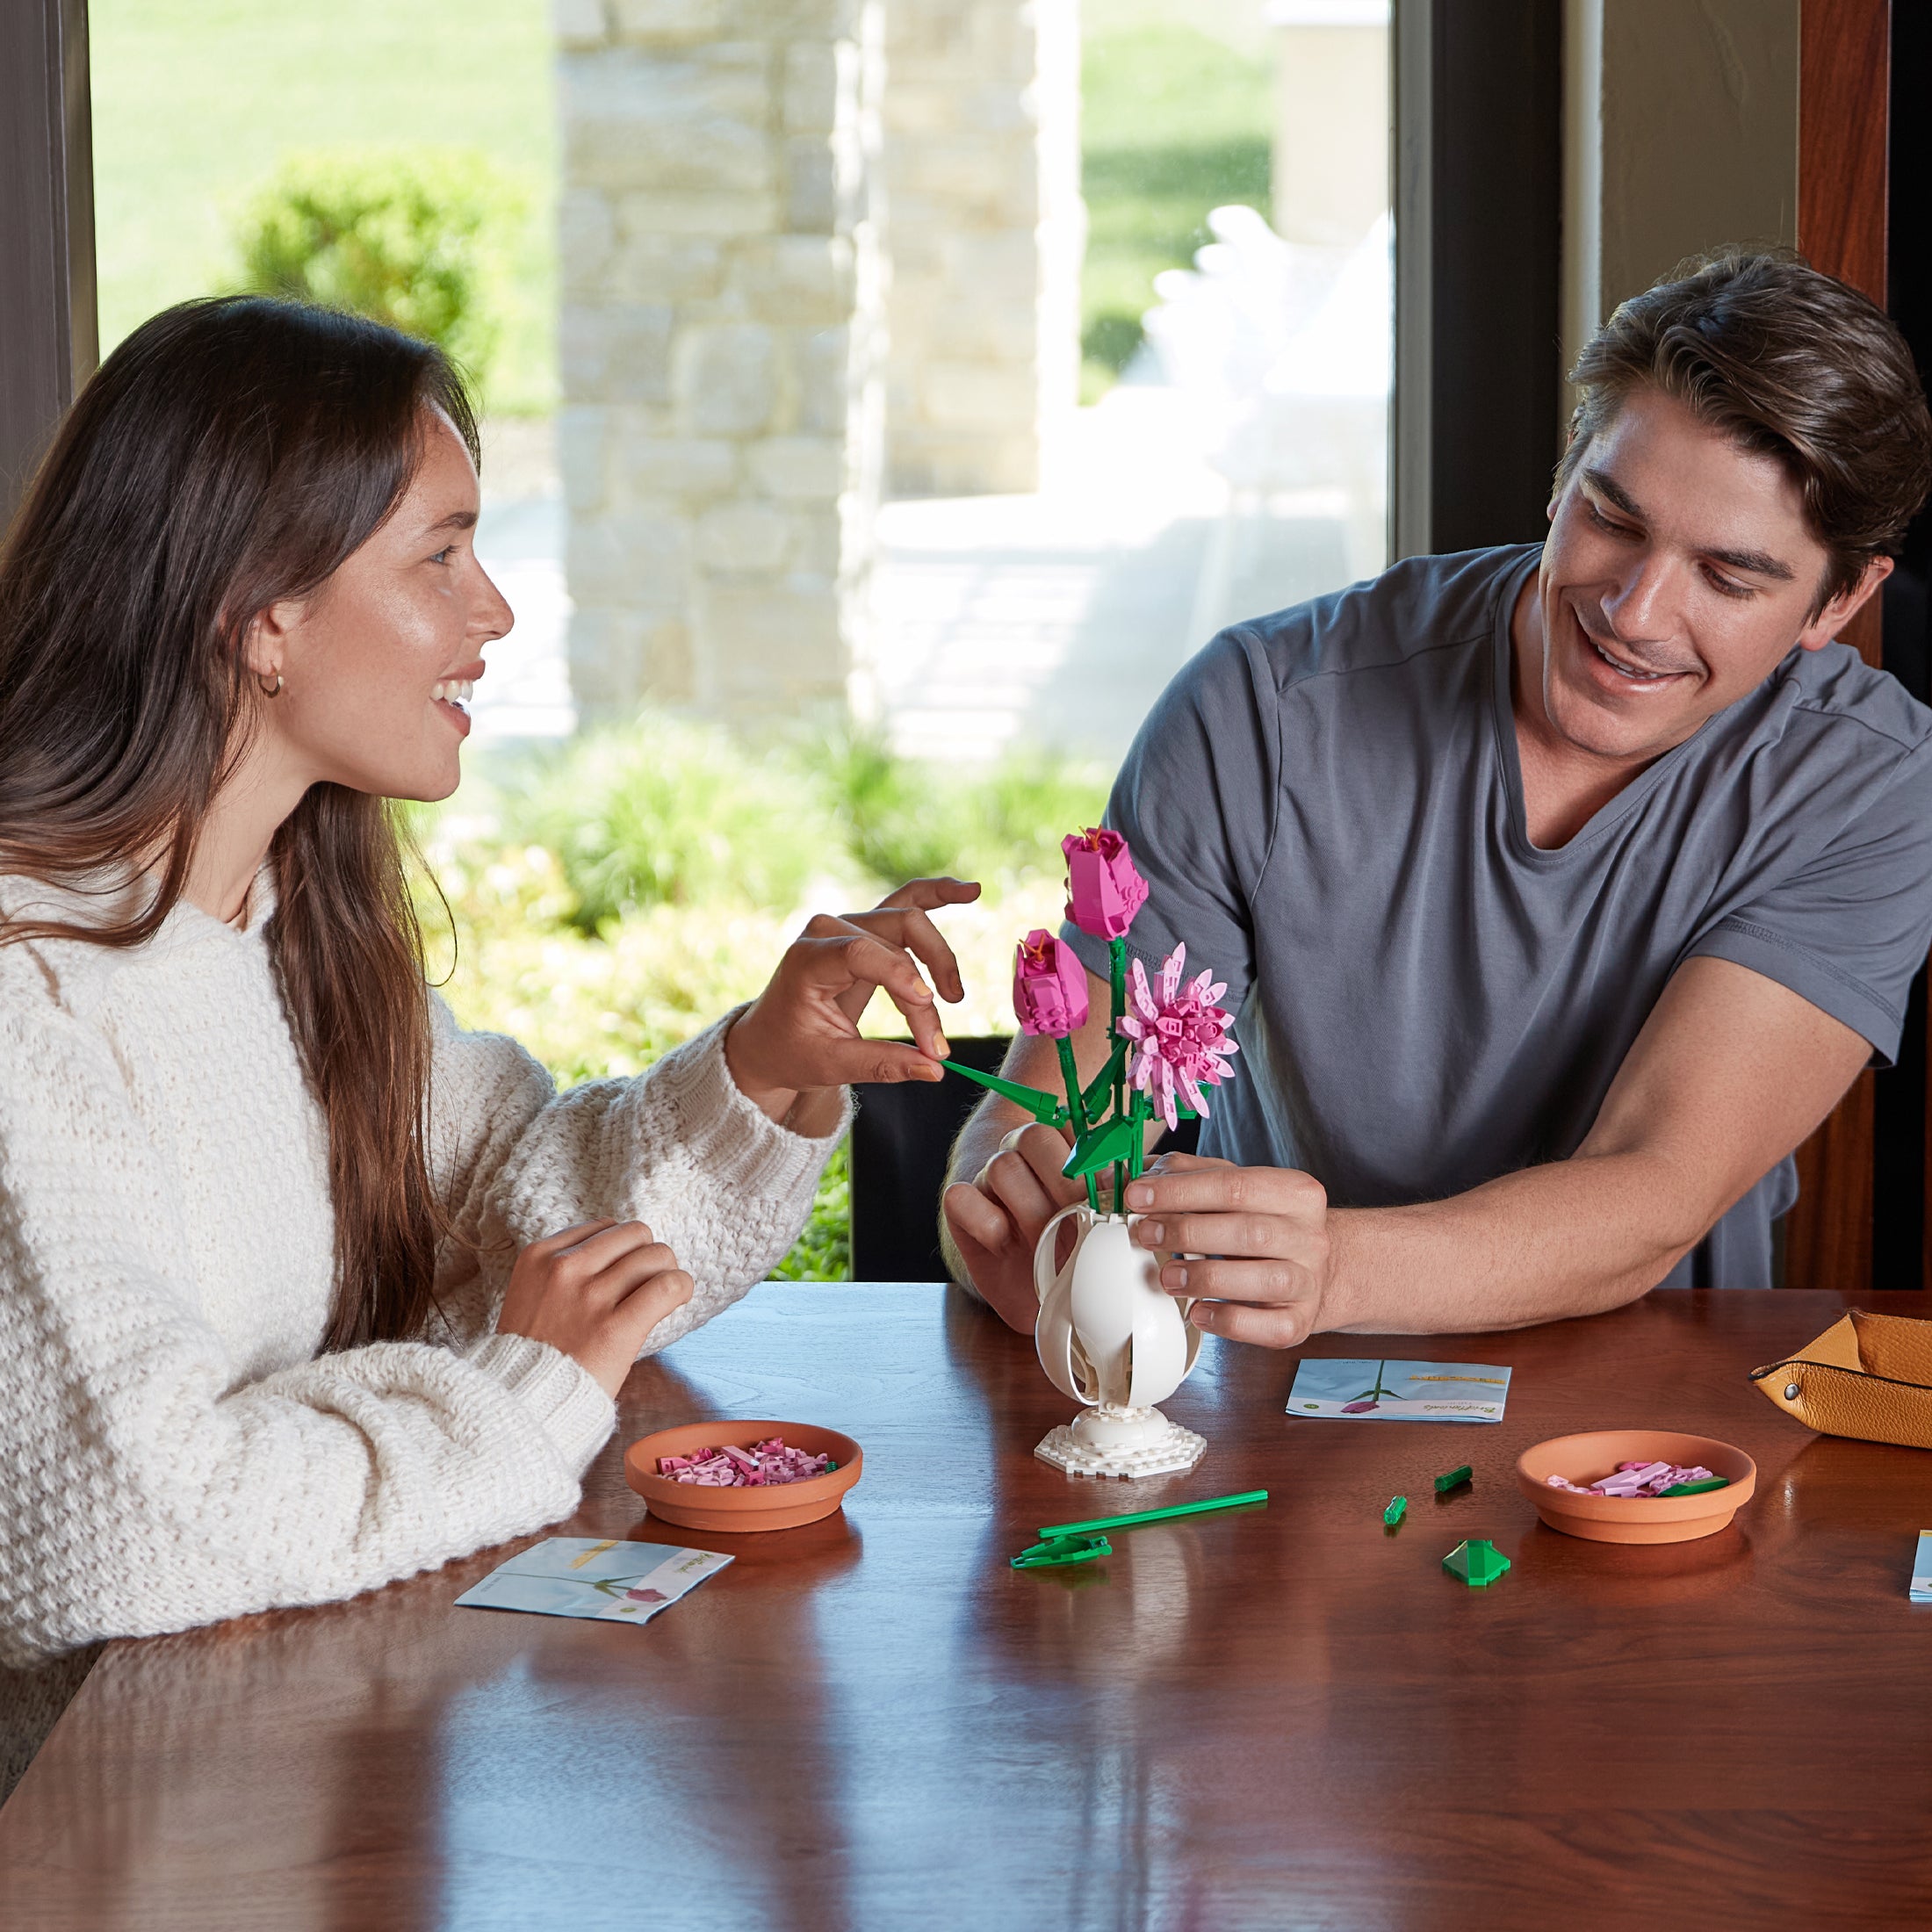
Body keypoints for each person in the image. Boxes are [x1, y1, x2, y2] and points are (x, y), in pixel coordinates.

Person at [0, 296, 973, 1670]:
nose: (496, 610)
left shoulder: (284, 925)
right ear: (262, 617)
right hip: (98, 1836)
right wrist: (516, 1397)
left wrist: (758, 1072)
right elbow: (130, 1524)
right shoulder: (27, 1003)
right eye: (440, 556)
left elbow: (542, 1227)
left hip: (303, 1733)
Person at [942, 249, 1932, 1346]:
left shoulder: (1865, 789)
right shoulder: (1256, 714)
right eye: (1610, 518)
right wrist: (1013, 1209)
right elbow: (1063, 1108)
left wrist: (1335, 1268)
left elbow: (1652, 1190)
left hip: (1651, 1401)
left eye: (1727, 577)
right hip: (1272, 1383)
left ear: (1839, 600)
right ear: (1565, 474)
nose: (1636, 612)